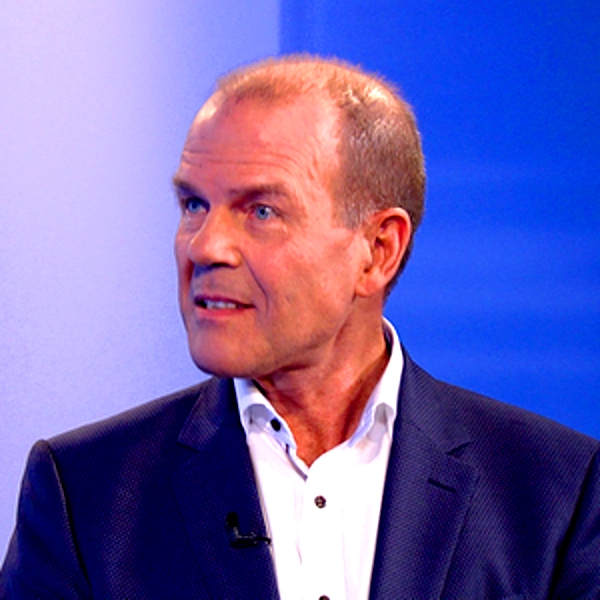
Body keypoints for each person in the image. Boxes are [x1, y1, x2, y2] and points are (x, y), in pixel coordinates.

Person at [1, 56, 598, 599]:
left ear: (378, 250)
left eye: (261, 211)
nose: (206, 247)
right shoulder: (84, 495)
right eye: (193, 205)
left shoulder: (557, 494)